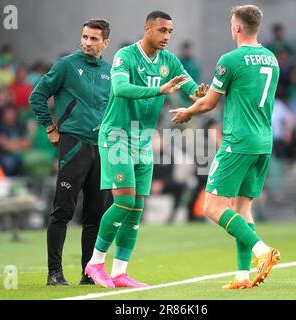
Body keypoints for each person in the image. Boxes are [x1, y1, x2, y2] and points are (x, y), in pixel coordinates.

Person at [84, 11, 207, 288]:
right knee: (125, 201)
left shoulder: (170, 61)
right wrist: (159, 90)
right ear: (147, 29)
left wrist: (198, 97)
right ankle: (94, 263)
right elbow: (120, 87)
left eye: (170, 32)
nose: (166, 37)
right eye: (162, 30)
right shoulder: (126, 56)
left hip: (142, 138)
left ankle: (120, 271)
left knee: (136, 207)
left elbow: (190, 89)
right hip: (117, 134)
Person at [170, 5, 281, 289]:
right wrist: (216, 92)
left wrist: (187, 113)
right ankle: (243, 276)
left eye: (232, 24)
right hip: (263, 142)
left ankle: (262, 251)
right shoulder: (272, 58)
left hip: (238, 141)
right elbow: (245, 92)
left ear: (238, 28)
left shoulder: (230, 60)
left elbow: (208, 104)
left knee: (212, 206)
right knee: (242, 209)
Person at [29, 19, 112, 286]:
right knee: (62, 211)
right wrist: (50, 127)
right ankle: (54, 273)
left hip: (102, 149)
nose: (87, 42)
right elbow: (37, 95)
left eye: (94, 39)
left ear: (105, 43)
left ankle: (89, 274)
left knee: (95, 216)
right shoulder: (67, 65)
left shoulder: (111, 72)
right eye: (85, 37)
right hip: (73, 144)